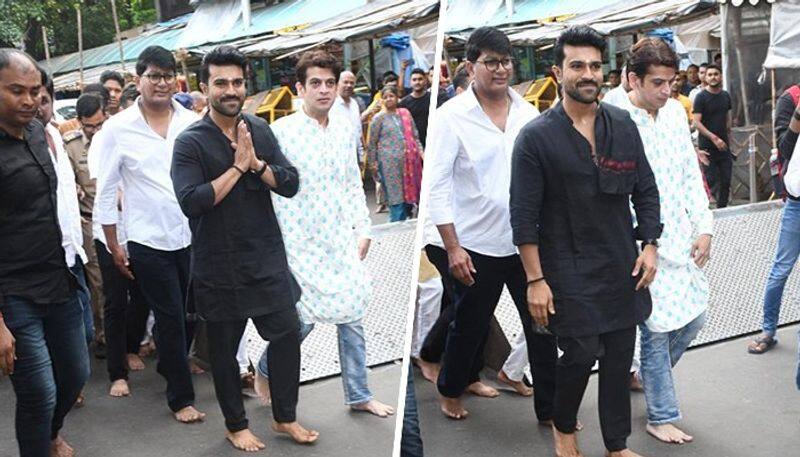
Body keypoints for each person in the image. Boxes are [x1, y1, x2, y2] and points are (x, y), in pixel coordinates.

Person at [510, 26, 661, 457]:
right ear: (558, 72)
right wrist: (535, 280)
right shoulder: (536, 137)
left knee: (618, 356)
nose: (588, 73)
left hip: (620, 263)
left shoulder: (622, 124)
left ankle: (616, 444)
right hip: (565, 267)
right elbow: (523, 217)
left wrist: (650, 243)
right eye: (577, 65)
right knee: (579, 352)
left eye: (595, 65)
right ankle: (562, 424)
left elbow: (646, 191)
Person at [171, 45, 317, 451]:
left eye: (237, 82)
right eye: (221, 82)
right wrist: (237, 167)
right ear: (205, 87)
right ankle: (235, 425)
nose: (230, 89)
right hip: (219, 264)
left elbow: (290, 183)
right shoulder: (191, 143)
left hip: (265, 257)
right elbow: (192, 201)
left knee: (288, 332)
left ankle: (284, 417)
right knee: (224, 351)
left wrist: (257, 165)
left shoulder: (257, 129)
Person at [425, 26, 558, 421]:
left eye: (506, 62)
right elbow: (437, 187)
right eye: (491, 62)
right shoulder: (450, 117)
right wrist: (453, 247)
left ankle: (550, 409)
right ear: (470, 66)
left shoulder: (528, 112)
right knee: (470, 325)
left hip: (524, 244)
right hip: (475, 245)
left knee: (543, 324)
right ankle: (450, 389)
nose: (500, 70)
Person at [255, 49, 396, 419]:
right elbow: (268, 186)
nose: (323, 90)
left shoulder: (346, 127)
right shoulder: (280, 132)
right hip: (297, 242)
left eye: (329, 83)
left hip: (339, 240)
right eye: (315, 83)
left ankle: (359, 394)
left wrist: (362, 227)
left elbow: (352, 183)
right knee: (300, 321)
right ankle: (266, 367)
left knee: (353, 313)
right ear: (299, 88)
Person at [93, 45, 205, 423]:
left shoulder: (191, 121)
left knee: (190, 314)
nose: (160, 82)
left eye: (166, 75)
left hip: (190, 234)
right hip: (146, 239)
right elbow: (106, 190)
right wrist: (113, 243)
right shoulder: (117, 128)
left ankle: (171, 363)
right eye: (153, 75)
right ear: (137, 80)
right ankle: (180, 399)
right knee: (170, 315)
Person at [613, 37, 713, 445]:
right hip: (635, 242)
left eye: (670, 82)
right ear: (632, 79)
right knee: (655, 327)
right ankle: (661, 414)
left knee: (694, 318)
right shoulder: (610, 116)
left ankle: (643, 377)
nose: (667, 91)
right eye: (657, 83)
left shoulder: (673, 112)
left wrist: (704, 226)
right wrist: (639, 243)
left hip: (678, 238)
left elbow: (690, 171)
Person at [0, 47, 90, 457]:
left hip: (59, 279)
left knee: (76, 375)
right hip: (14, 295)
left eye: (35, 91)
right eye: (16, 90)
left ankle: (49, 434)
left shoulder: (39, 132)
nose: (28, 100)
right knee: (38, 390)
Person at [748, 83, 800, 354]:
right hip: (797, 206)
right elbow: (784, 149)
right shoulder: (791, 98)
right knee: (781, 270)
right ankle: (768, 329)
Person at [367, 85, 424, 222]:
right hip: (389, 165)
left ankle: (406, 227)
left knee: (408, 199)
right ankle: (394, 229)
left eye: (391, 96)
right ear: (381, 100)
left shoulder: (405, 113)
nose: (388, 99)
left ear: (397, 97)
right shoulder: (378, 119)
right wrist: (372, 166)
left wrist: (422, 153)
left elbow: (415, 136)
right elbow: (372, 144)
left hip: (409, 163)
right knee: (396, 198)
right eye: (385, 97)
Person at [693, 64, 733, 208]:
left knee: (726, 180)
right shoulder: (701, 97)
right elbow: (696, 122)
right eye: (709, 75)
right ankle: (705, 211)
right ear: (705, 77)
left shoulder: (725, 95)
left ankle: (723, 209)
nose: (713, 77)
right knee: (710, 181)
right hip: (707, 147)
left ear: (720, 76)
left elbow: (728, 120)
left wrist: (729, 139)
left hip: (724, 147)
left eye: (716, 74)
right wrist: (713, 138)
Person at [399, 68, 448, 148]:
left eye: (420, 79)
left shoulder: (435, 99)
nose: (417, 82)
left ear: (425, 81)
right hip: (414, 146)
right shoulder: (404, 103)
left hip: (434, 143)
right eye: (414, 80)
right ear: (410, 82)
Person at [331, 70, 365, 163]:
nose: (349, 85)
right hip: (338, 154)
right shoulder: (330, 104)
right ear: (337, 84)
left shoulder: (354, 104)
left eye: (352, 83)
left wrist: (361, 154)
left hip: (354, 154)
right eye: (345, 82)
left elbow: (358, 130)